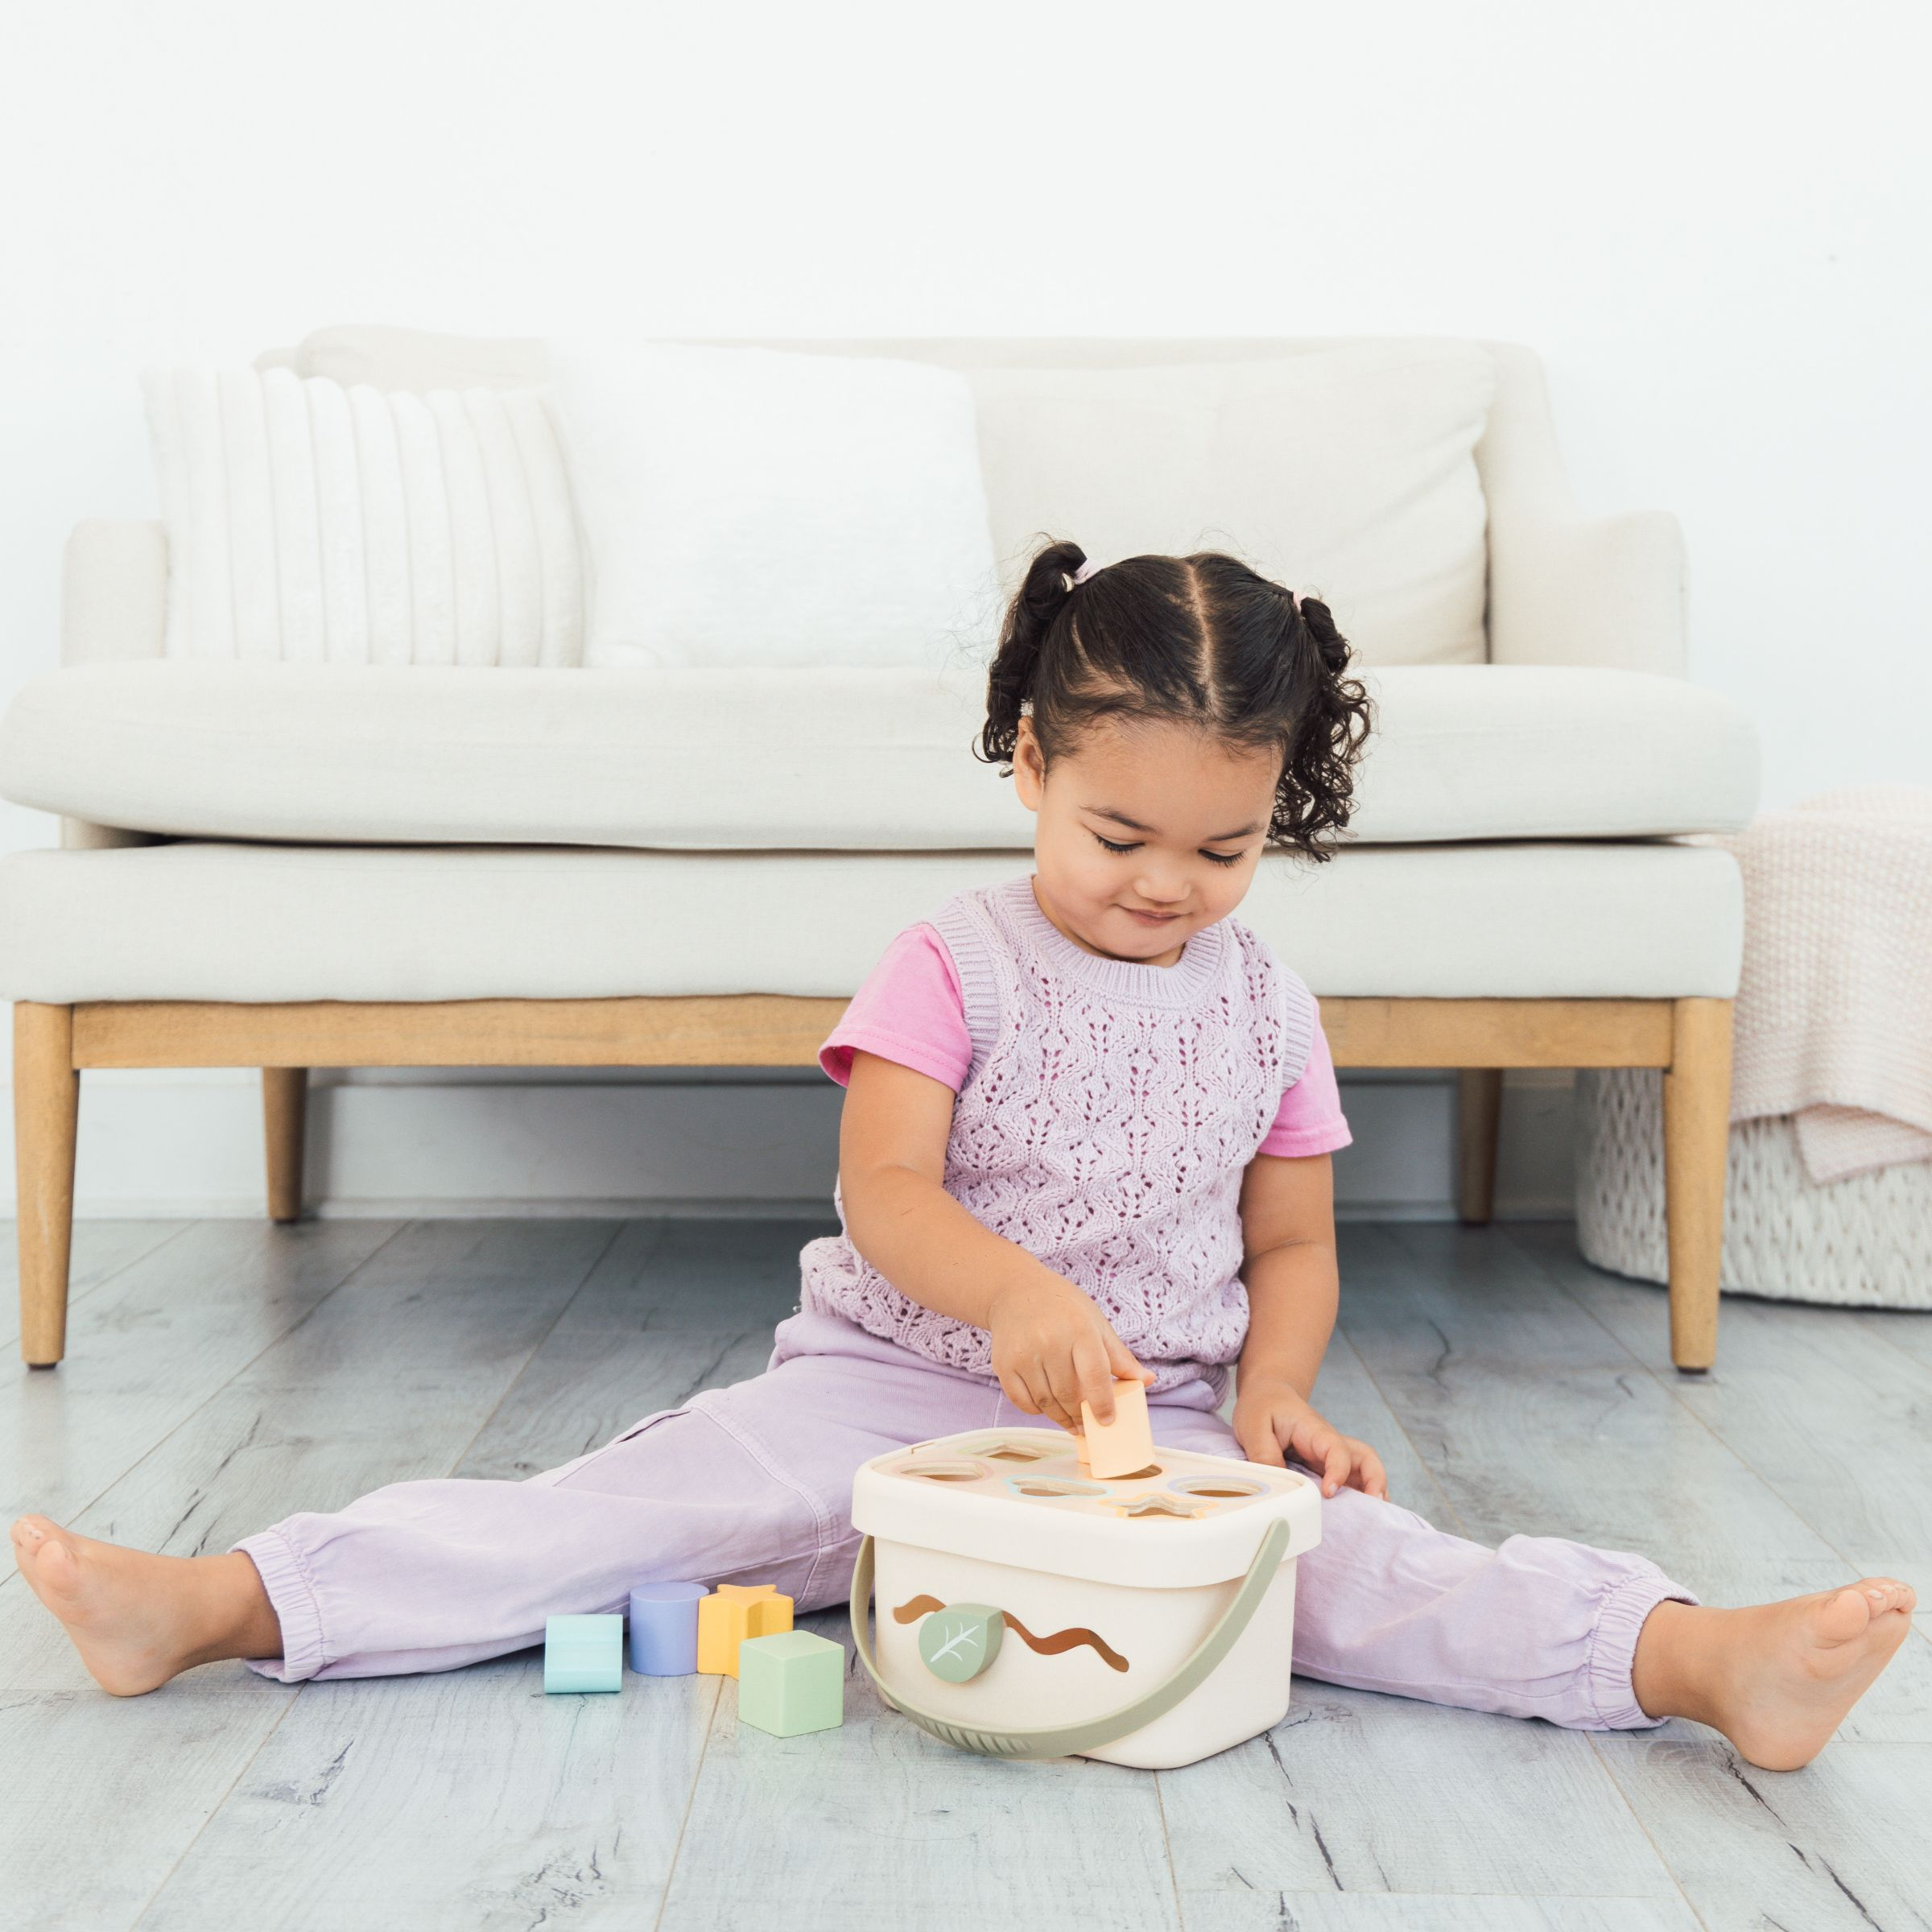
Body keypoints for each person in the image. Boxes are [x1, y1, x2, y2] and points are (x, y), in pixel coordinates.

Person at [11, 542, 1913, 1771]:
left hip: (1148, 1427)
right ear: (1024, 763)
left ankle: (1686, 1659)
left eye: (1223, 851)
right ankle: (232, 1604)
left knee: (1361, 1574)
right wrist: (1010, 1298)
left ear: (1281, 819)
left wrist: (1269, 1392)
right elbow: (887, 1193)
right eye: (1117, 836)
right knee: (615, 1516)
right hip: (876, 1391)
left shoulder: (1268, 1007)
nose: (1167, 886)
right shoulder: (949, 961)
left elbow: (1300, 1240)